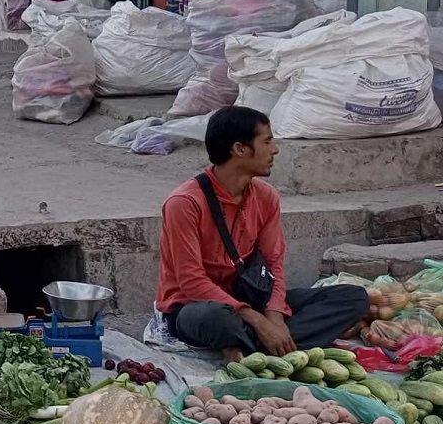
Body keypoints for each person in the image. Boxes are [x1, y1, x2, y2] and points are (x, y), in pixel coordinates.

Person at [156, 106, 370, 362]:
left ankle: (245, 348)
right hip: (197, 306)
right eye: (267, 141)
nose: (275, 149)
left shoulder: (266, 197)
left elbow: (273, 264)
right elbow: (191, 282)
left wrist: (274, 317)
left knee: (354, 297)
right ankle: (273, 343)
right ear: (240, 149)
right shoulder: (184, 202)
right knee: (217, 319)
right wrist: (259, 321)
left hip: (250, 296)